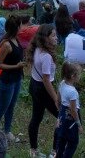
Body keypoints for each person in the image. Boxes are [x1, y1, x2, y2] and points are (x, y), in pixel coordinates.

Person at [26, 24, 59, 156]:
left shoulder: (36, 48)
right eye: (53, 35)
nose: (56, 38)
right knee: (62, 116)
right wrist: (56, 98)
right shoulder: (46, 56)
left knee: (36, 117)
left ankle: (33, 150)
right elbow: (46, 80)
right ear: (46, 38)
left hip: (34, 85)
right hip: (44, 89)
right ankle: (55, 151)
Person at [0, 14, 25, 140]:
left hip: (17, 79)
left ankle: (7, 130)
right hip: (7, 81)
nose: (22, 27)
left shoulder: (16, 39)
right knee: (2, 108)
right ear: (17, 27)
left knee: (11, 106)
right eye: (21, 25)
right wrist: (16, 66)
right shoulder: (6, 45)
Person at [52, 61, 82, 158]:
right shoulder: (72, 92)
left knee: (61, 141)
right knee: (73, 142)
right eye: (78, 74)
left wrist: (61, 113)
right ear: (73, 76)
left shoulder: (62, 84)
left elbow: (57, 101)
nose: (79, 76)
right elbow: (73, 110)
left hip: (62, 118)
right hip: (71, 121)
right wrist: (78, 124)